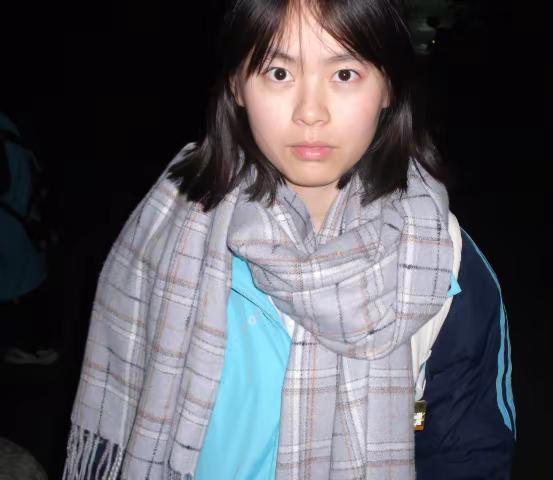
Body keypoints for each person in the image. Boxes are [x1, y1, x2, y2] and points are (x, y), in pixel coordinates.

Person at [63, 1, 514, 478]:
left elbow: (467, 453)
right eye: (279, 73)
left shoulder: (443, 262)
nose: (310, 113)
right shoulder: (163, 233)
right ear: (236, 85)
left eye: (344, 74)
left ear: (388, 88)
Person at [0, 112, 58, 365]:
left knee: (17, 287)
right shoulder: (14, 127)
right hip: (28, 218)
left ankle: (29, 346)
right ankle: (39, 344)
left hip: (12, 223)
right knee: (30, 282)